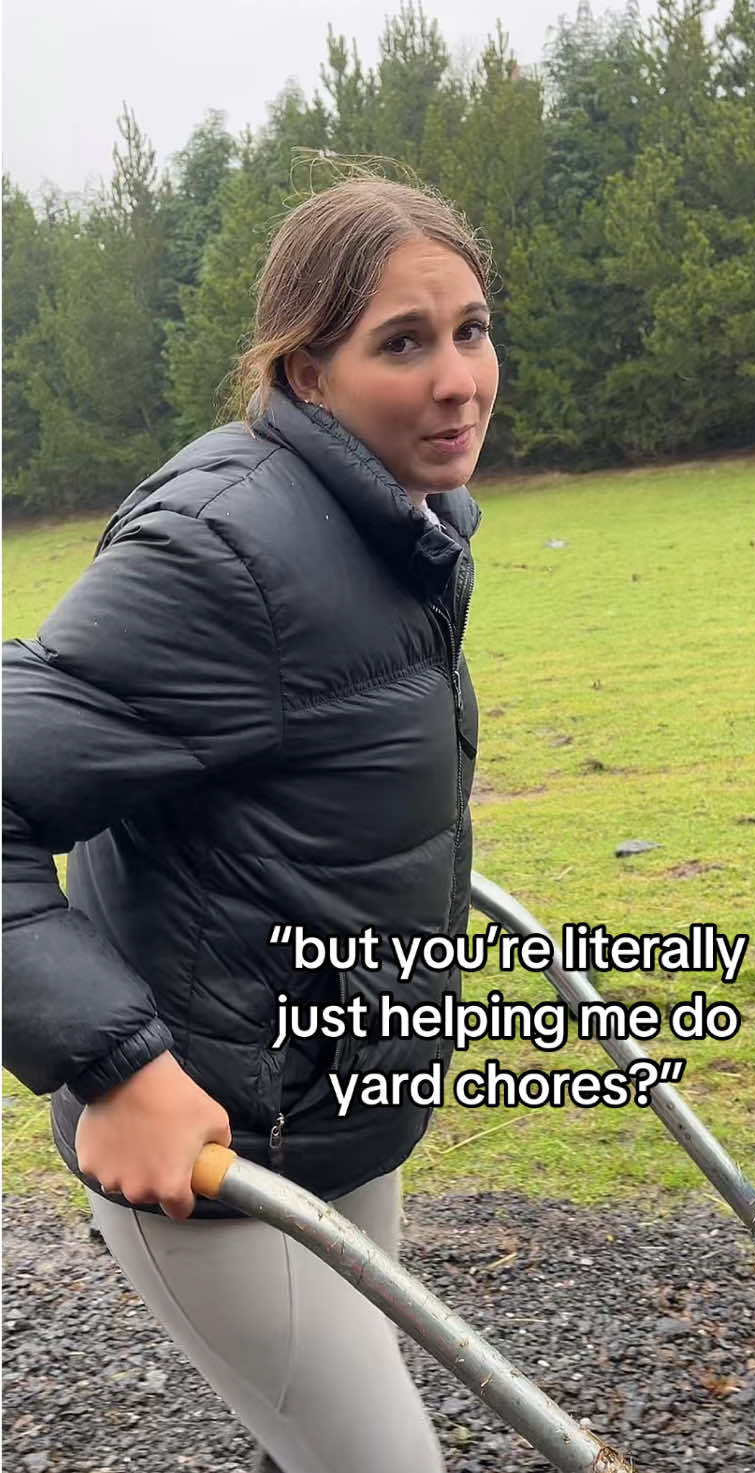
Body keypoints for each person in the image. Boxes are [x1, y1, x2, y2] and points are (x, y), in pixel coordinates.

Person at [3, 170, 500, 1473]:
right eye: (402, 341)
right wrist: (112, 1066)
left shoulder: (409, 518)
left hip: (334, 1103)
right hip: (213, 1149)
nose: (456, 378)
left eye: (470, 329)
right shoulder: (229, 545)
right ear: (305, 367)